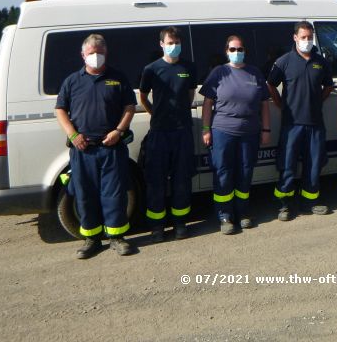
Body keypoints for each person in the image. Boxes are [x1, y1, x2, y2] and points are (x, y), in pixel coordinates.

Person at [55, 33, 137, 259]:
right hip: (83, 149)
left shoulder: (117, 78)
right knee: (85, 194)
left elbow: (129, 107)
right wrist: (73, 135)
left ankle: (117, 237)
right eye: (92, 54)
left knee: (115, 194)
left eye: (100, 53)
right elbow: (60, 109)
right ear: (83, 55)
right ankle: (91, 239)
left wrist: (118, 131)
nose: (96, 57)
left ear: (106, 54)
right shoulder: (72, 81)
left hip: (112, 147)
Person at [199, 35, 271, 234]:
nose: (236, 53)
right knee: (223, 173)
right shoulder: (219, 72)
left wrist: (266, 129)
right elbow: (207, 103)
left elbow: (264, 104)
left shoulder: (254, 73)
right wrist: (206, 130)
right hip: (223, 131)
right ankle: (225, 215)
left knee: (245, 172)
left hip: (250, 133)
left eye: (240, 49)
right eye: (232, 49)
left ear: (245, 51)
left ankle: (242, 212)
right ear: (226, 51)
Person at [267, 21, 334, 221]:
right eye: (303, 37)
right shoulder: (284, 61)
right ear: (295, 38)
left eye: (310, 37)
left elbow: (328, 86)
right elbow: (270, 84)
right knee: (287, 166)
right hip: (292, 124)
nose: (307, 41)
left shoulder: (321, 62)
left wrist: (317, 101)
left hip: (315, 124)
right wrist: (280, 104)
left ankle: (309, 202)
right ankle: (284, 205)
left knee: (314, 165)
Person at [139, 26, 197, 242]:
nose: (174, 46)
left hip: (182, 131)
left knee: (182, 180)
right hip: (159, 133)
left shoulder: (188, 67)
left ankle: (181, 224)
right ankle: (157, 227)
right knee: (156, 181)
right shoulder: (151, 69)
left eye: (176, 43)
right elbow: (143, 97)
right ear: (162, 44)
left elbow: (190, 95)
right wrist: (156, 114)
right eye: (170, 43)